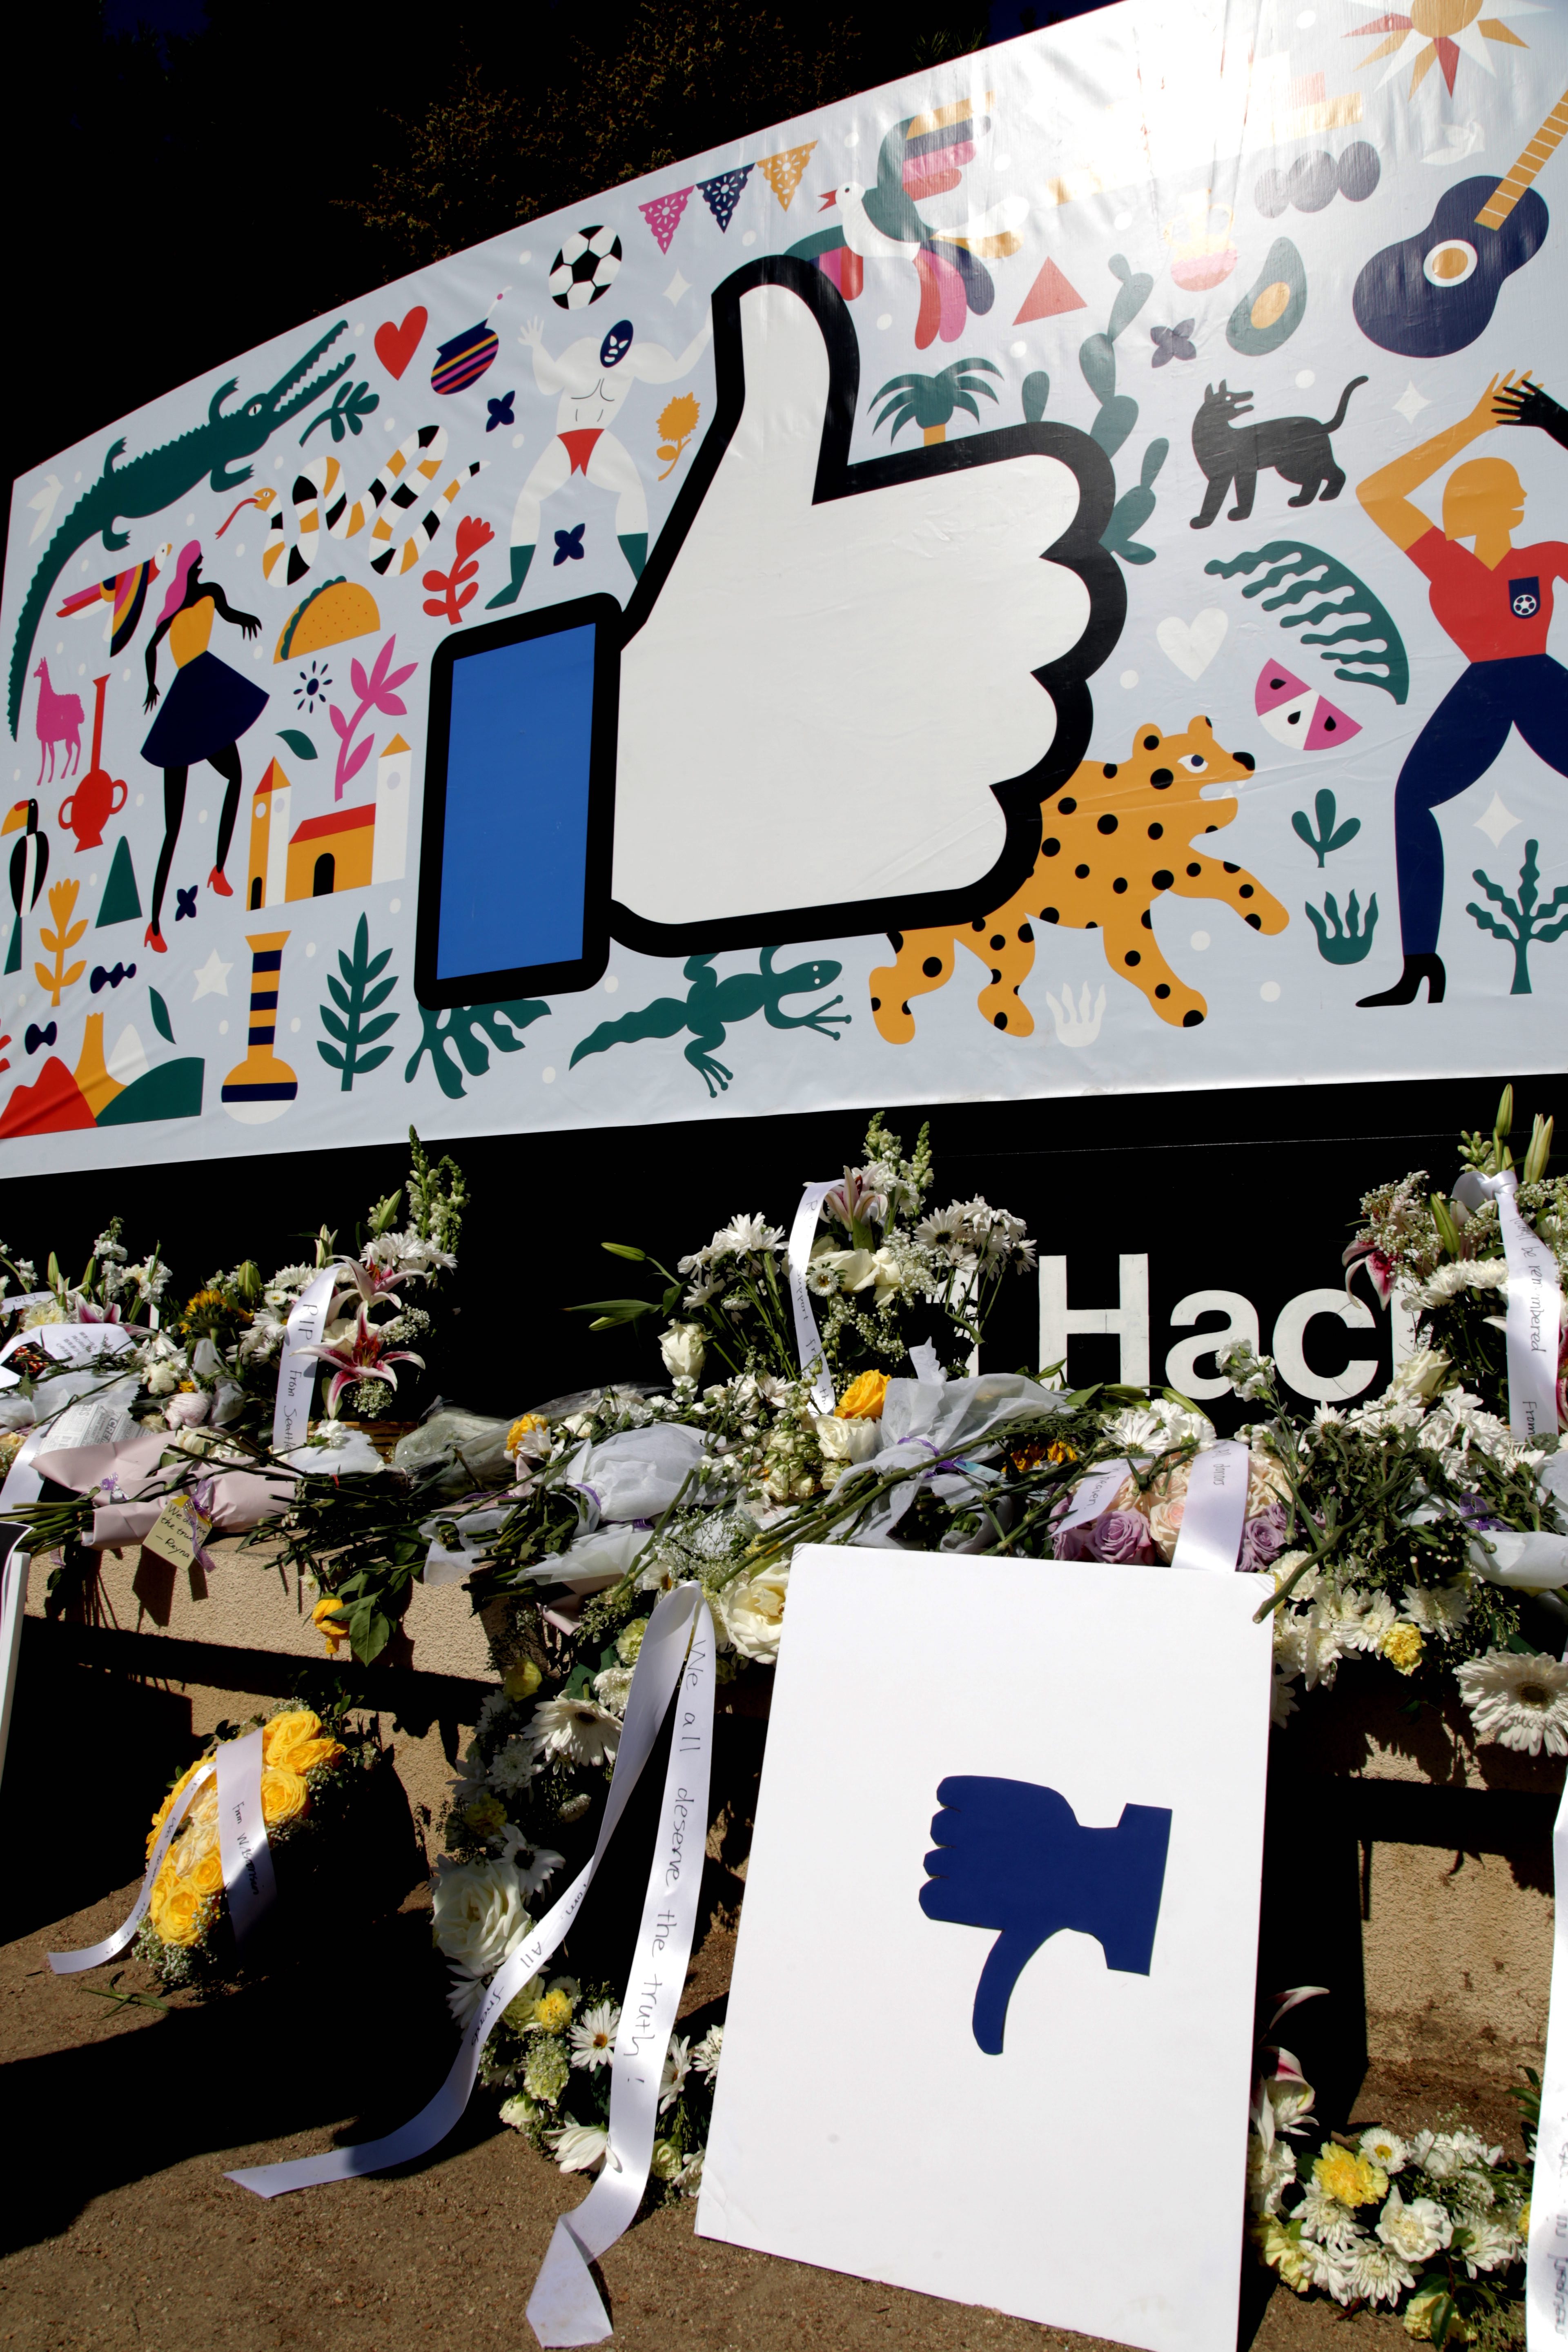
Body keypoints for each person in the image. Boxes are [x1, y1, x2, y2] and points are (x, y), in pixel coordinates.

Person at [1355, 371, 1568, 1006]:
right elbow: (1378, 491)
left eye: (1482, 497)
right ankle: (1421, 965)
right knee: (1410, 799)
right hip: (1480, 689)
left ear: (1514, 507)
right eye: (1459, 499)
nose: (1462, 508)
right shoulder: (1446, 562)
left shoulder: (1546, 556)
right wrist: (1476, 424)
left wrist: (1554, 422)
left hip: (1536, 677)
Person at [486, 312, 713, 607]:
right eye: (612, 342)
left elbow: (678, 368)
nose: (615, 349)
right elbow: (548, 383)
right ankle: (516, 585)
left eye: (622, 345)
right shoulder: (583, 350)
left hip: (598, 440)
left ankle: (642, 576)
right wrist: (537, 348)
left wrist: (708, 328)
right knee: (528, 499)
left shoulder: (637, 362)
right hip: (566, 439)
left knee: (633, 490)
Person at [139, 541, 267, 952]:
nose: (201, 566)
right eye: (197, 563)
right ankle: (155, 923)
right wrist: (152, 684)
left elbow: (228, 615)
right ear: (189, 567)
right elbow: (149, 647)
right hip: (187, 702)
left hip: (206, 690)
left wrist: (244, 616)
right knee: (171, 826)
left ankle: (218, 868)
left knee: (236, 776)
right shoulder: (174, 608)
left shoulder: (211, 592)